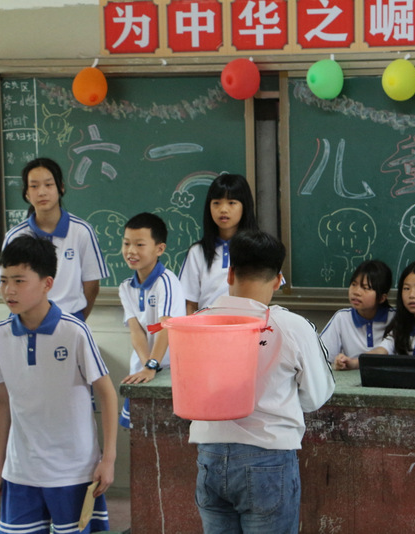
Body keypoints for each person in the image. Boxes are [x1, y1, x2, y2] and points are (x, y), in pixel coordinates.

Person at [189, 230, 335, 533]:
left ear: (230, 273)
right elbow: (316, 396)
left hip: (209, 455)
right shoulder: (293, 327)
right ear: (278, 280)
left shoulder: (197, 323)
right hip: (268, 458)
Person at [0, 235, 117, 534]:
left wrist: (108, 459)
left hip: (74, 472)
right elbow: (2, 402)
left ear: (47, 283)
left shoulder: (74, 331)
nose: (9, 290)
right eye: (4, 281)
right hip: (20, 471)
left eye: (19, 281)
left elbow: (107, 394)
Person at [0, 157, 109, 320]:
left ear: (61, 188)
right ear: (27, 193)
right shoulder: (15, 236)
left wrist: (75, 321)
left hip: (69, 318)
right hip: (25, 321)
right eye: (34, 186)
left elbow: (92, 285)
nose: (42, 192)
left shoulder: (81, 231)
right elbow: (6, 283)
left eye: (49, 184)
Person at [118, 212, 185, 427]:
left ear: (159, 249)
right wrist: (146, 365)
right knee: (139, 432)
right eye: (126, 243)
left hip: (169, 372)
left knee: (168, 432)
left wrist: (153, 365)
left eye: (139, 244)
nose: (131, 251)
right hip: (144, 370)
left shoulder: (167, 282)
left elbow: (166, 328)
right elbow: (136, 331)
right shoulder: (125, 287)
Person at [334, 260, 415, 369]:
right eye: (406, 288)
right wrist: (352, 362)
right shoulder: (401, 326)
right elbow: (382, 350)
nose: (411, 295)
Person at [178, 173, 259, 314]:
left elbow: (264, 298)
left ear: (245, 206)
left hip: (246, 324)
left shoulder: (259, 249)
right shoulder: (197, 252)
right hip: (205, 326)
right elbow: (190, 304)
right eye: (216, 203)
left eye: (231, 203)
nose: (223, 209)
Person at [319, 259, 395, 364]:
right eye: (354, 284)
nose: (356, 292)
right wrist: (339, 363)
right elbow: (320, 356)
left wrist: (353, 363)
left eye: (366, 288)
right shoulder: (342, 318)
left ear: (382, 298)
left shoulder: (396, 318)